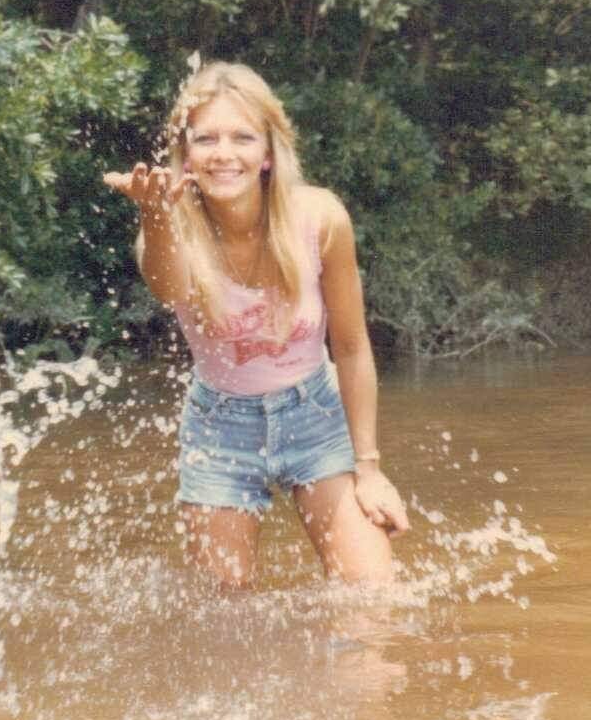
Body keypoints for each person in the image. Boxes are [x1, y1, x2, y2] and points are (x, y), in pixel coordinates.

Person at [103, 61, 408, 590]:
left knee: (375, 601)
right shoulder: (169, 228)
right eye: (206, 139)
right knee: (225, 619)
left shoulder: (322, 218)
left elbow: (353, 347)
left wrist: (370, 468)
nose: (224, 153)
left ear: (268, 153)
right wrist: (153, 216)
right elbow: (167, 288)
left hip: (315, 416)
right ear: (186, 155)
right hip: (220, 427)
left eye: (242, 137)